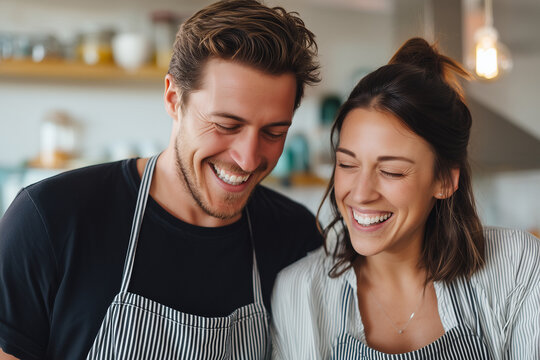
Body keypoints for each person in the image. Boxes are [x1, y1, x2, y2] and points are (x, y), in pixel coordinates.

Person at [0, 1, 322, 359]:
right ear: (173, 98)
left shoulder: (297, 239)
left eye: (274, 133)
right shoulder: (50, 220)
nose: (248, 158)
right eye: (226, 125)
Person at [271, 37, 540, 359]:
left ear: (444, 180)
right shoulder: (299, 291)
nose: (359, 193)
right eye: (346, 164)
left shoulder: (515, 265)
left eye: (392, 171)